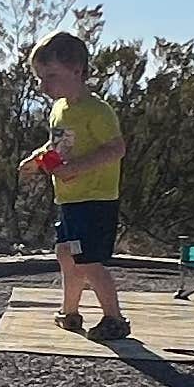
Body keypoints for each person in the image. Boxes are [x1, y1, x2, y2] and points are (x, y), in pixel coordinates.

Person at [23, 30, 129, 340]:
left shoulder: (97, 111)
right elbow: (57, 146)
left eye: (51, 76)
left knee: (88, 261)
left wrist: (76, 168)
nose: (44, 86)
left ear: (77, 71)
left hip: (94, 199)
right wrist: (37, 160)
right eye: (40, 78)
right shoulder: (59, 109)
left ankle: (114, 319)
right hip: (69, 198)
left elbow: (116, 149)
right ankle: (69, 312)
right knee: (65, 254)